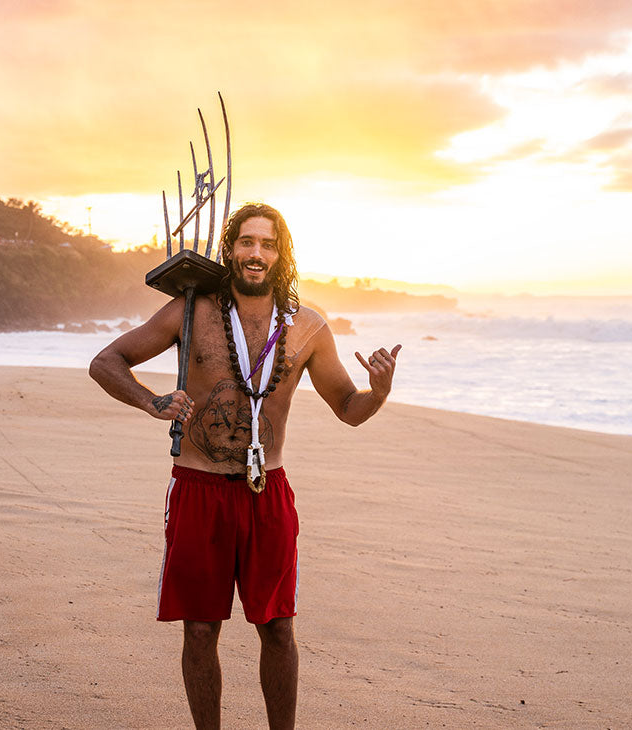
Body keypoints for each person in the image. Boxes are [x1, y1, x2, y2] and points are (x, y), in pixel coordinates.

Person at [89, 202, 401, 729]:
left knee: (278, 628)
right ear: (230, 248)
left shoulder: (307, 327)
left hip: (267, 494)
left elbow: (349, 410)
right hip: (198, 490)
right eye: (247, 242)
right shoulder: (191, 311)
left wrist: (380, 392)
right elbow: (106, 361)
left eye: (268, 244)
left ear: (282, 255)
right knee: (200, 630)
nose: (256, 254)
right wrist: (151, 401)